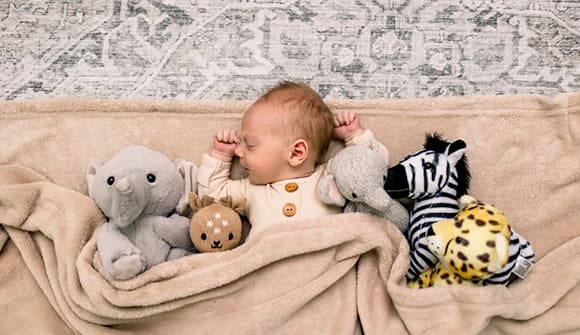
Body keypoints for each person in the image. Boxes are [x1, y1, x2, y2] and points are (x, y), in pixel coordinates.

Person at [197, 81, 378, 239]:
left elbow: (366, 173)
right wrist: (220, 156)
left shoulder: (330, 177)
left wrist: (354, 136)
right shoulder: (249, 190)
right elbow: (210, 198)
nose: (238, 151)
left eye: (250, 145)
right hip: (268, 270)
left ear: (296, 153)